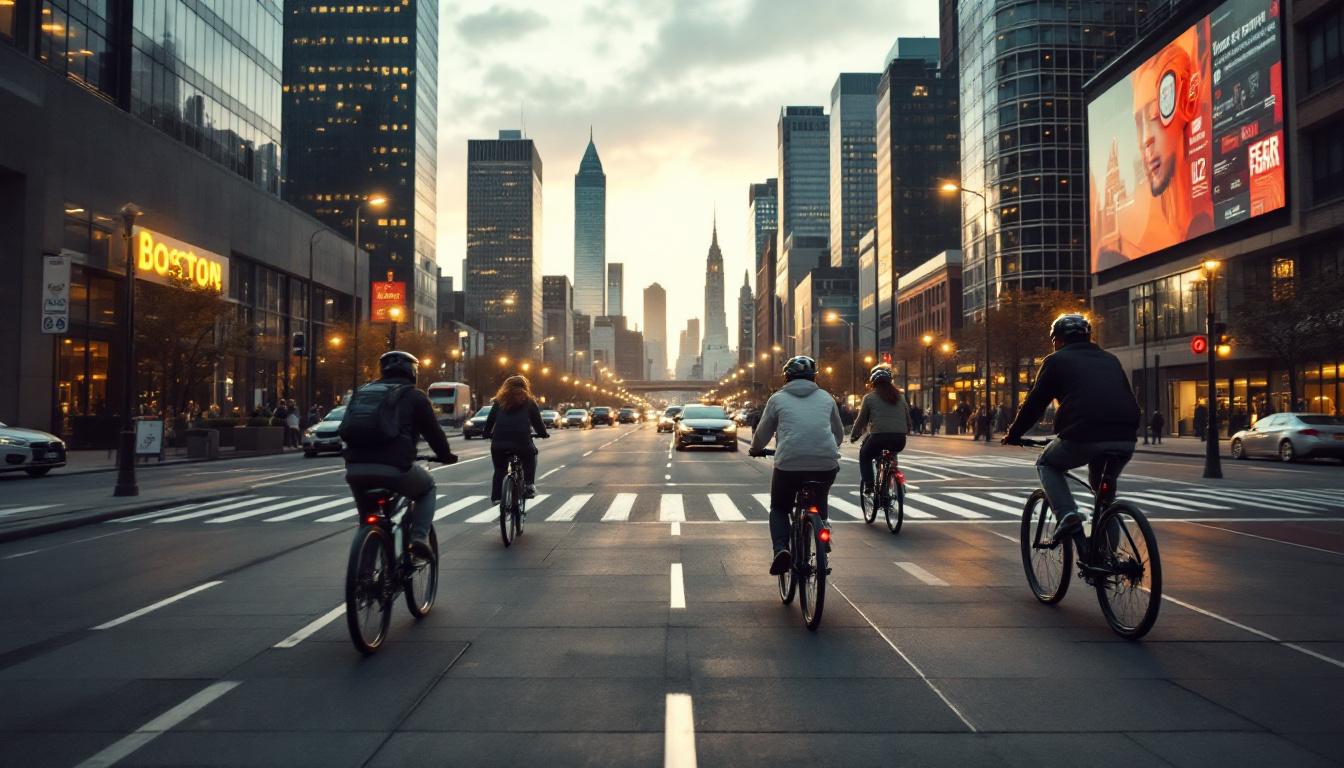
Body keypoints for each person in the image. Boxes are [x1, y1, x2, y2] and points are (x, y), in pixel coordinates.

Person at [1003, 315, 1140, 544]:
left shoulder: (1056, 360)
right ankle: (1109, 562)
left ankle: (1067, 514)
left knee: (1046, 463)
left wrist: (1014, 433)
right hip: (1125, 437)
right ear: (1088, 337)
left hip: (1083, 433)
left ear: (1058, 340)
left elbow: (1035, 403)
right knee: (1104, 498)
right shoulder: (1110, 359)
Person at [343, 351, 457, 559]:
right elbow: (433, 433)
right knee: (426, 489)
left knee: (367, 519)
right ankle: (419, 538)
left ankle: (365, 579)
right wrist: (446, 455)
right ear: (412, 371)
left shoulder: (362, 393)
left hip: (355, 467)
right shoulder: (414, 396)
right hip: (394, 467)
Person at [748, 356, 844, 576]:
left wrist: (755, 449)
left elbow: (763, 431)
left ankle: (781, 549)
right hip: (825, 461)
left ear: (787, 377)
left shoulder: (777, 399)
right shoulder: (826, 398)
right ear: (814, 377)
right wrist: (829, 449)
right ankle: (822, 528)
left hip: (789, 464)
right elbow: (838, 432)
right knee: (820, 498)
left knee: (780, 508)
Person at [483, 375, 550, 502]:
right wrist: (543, 433)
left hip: (499, 443)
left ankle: (496, 498)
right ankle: (529, 485)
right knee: (531, 454)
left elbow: (490, 421)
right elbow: (537, 423)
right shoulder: (529, 401)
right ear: (525, 387)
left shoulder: (498, 402)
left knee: (499, 470)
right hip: (522, 441)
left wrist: (486, 433)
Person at [849, 366, 912, 494]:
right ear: (890, 382)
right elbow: (908, 418)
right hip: (900, 439)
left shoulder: (869, 398)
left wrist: (854, 435)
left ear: (873, 383)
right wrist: (906, 431)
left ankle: (869, 485)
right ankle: (892, 475)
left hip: (879, 437)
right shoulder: (901, 397)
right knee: (891, 455)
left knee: (865, 455)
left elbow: (861, 421)